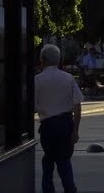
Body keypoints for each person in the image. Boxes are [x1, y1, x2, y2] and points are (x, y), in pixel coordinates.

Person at [35, 44, 83, 193]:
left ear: (42, 60)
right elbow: (77, 106)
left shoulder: (37, 80)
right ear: (58, 60)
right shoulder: (68, 78)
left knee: (48, 158)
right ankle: (70, 189)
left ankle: (48, 189)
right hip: (65, 124)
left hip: (47, 125)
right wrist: (75, 130)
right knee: (64, 161)